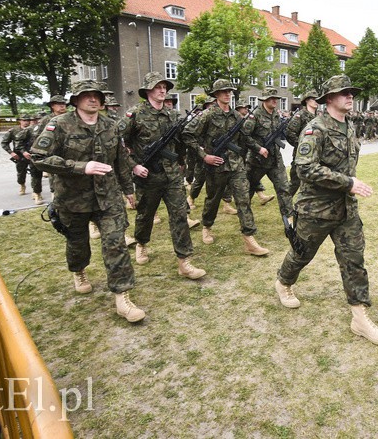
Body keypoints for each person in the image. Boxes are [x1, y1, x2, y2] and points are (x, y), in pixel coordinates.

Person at [274, 75, 378, 346]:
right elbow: (304, 167)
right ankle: (283, 282)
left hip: (346, 209)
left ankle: (360, 318)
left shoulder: (349, 125)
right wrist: (348, 182)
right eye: (344, 93)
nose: (350, 96)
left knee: (354, 260)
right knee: (301, 254)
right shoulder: (315, 129)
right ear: (328, 99)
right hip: (316, 209)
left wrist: (348, 187)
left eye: (351, 92)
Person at [30, 80, 145, 323]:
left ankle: (122, 296)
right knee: (77, 244)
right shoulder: (59, 124)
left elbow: (121, 160)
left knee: (116, 244)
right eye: (87, 95)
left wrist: (128, 190)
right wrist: (81, 167)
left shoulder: (111, 125)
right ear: (76, 100)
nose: (93, 99)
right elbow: (39, 158)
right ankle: (79, 271)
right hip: (73, 198)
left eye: (97, 95)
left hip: (108, 198)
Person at [118, 72, 205, 278]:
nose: (162, 90)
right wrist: (133, 165)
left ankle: (185, 261)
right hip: (148, 176)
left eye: (164, 86)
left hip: (172, 175)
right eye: (158, 86)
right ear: (148, 90)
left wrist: (183, 160)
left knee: (180, 216)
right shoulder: (135, 114)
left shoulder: (172, 115)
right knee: (145, 215)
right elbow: (118, 143)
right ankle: (141, 243)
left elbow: (183, 140)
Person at [181, 79, 269, 256]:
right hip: (216, 167)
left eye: (229, 91)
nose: (227, 94)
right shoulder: (207, 114)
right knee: (212, 200)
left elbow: (244, 138)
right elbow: (188, 134)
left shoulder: (236, 116)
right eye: (223, 92)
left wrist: (258, 148)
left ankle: (249, 238)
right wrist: (204, 156)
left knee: (243, 200)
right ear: (216, 95)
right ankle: (207, 226)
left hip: (236, 166)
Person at [243, 88, 292, 219]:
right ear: (264, 100)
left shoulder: (276, 114)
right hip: (257, 161)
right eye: (271, 98)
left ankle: (289, 219)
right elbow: (244, 135)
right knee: (248, 190)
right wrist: (258, 148)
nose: (275, 100)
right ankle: (245, 219)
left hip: (275, 159)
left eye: (276, 98)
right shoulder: (255, 115)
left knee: (284, 189)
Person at [285, 90, 319, 196]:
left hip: (316, 154)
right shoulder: (300, 115)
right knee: (295, 181)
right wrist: (301, 146)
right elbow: (290, 133)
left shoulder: (318, 117)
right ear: (307, 101)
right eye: (314, 99)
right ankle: (286, 200)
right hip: (301, 154)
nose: (316, 101)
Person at [0, 114, 35, 197]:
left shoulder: (34, 130)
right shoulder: (14, 130)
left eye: (28, 121)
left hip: (32, 154)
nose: (26, 122)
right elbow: (4, 143)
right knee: (21, 173)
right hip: (20, 155)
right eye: (24, 120)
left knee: (35, 173)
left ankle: (35, 190)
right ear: (20, 121)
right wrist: (11, 152)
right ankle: (22, 185)